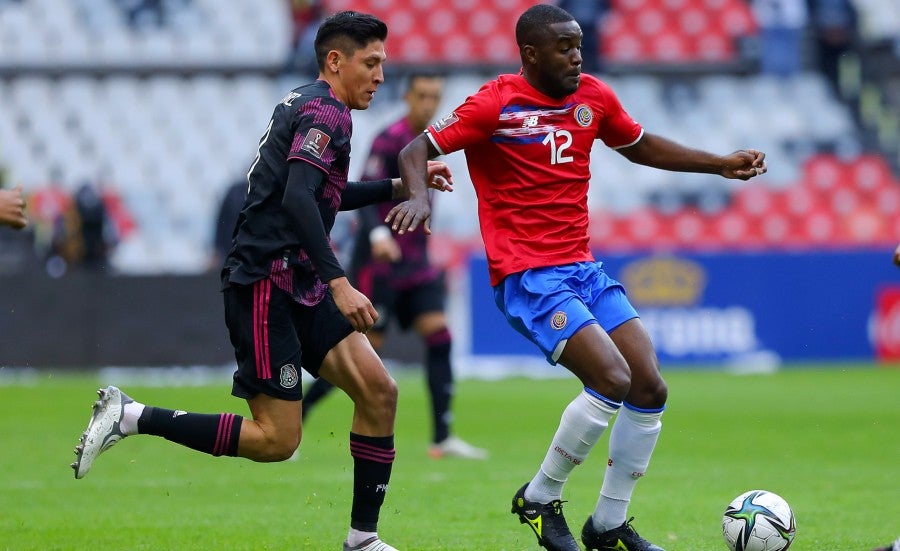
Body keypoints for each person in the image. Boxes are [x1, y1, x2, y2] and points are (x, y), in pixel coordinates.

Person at [388, 4, 768, 551]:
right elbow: (415, 148)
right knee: (610, 379)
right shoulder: (495, 103)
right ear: (530, 53)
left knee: (648, 385)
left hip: (582, 268)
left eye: (579, 45)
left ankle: (609, 523)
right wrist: (420, 195)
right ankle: (540, 498)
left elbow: (639, 146)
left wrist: (718, 163)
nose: (576, 56)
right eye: (564, 47)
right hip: (528, 275)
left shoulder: (594, 96)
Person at [71, 11, 448, 551]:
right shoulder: (327, 113)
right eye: (371, 63)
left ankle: (363, 540)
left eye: (384, 63)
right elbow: (298, 198)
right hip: (266, 282)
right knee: (277, 440)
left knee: (378, 391)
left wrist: (395, 185)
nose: (381, 76)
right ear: (335, 61)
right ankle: (132, 416)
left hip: (295, 279)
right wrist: (339, 281)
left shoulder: (312, 104)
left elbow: (322, 195)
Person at [302, 73, 488, 460]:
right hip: (380, 267)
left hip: (417, 265)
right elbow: (362, 193)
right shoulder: (390, 140)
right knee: (362, 355)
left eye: (434, 96)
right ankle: (297, 419)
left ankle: (442, 438)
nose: (428, 103)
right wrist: (377, 236)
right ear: (406, 97)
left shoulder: (434, 143)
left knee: (440, 338)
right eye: (421, 95)